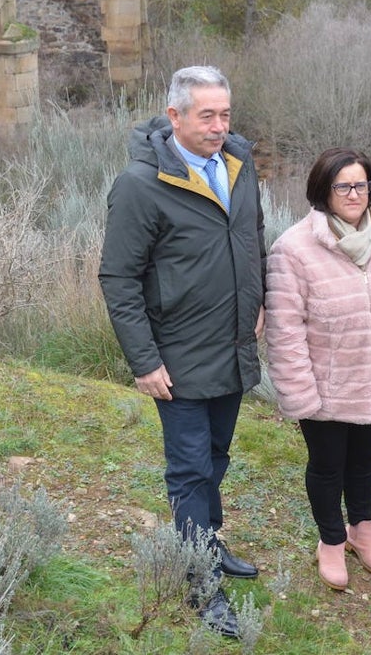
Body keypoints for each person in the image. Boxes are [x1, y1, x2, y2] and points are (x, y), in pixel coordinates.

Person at [98, 65, 265, 637]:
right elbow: (118, 279)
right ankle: (199, 581)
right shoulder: (141, 185)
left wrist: (259, 301)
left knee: (216, 459)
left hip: (233, 349)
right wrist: (144, 361)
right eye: (206, 116)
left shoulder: (239, 167)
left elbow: (252, 240)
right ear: (174, 117)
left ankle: (209, 549)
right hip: (177, 357)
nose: (219, 127)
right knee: (191, 471)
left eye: (225, 114)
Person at [265, 148, 371, 591]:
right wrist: (300, 392)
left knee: (364, 464)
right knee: (327, 466)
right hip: (325, 387)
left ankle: (363, 531)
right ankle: (332, 541)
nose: (354, 193)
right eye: (343, 185)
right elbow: (285, 332)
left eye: (361, 184)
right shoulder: (293, 249)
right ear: (323, 190)